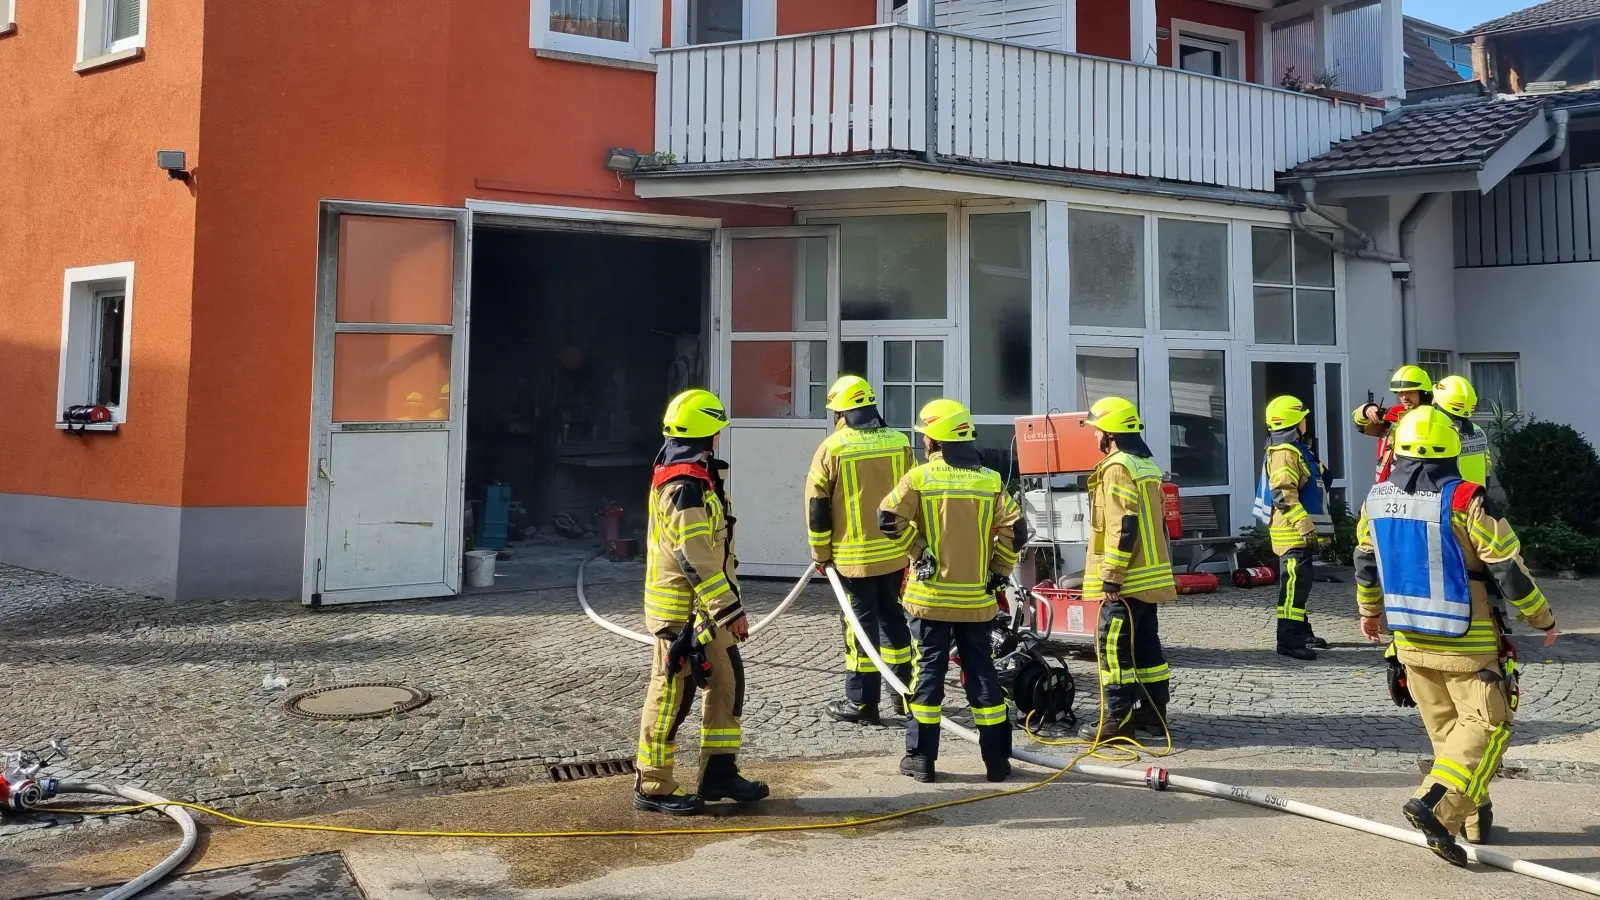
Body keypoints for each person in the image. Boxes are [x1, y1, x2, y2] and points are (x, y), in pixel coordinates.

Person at [1353, 406, 1558, 865]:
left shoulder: (1376, 499)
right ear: (1452, 449)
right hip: (1466, 640)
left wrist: (1370, 614)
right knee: (1488, 726)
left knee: (1449, 732)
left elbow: (1365, 562)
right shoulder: (1467, 499)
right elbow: (1508, 570)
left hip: (1407, 637)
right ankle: (1434, 807)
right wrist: (1542, 618)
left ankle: (1472, 818)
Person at [633, 389, 769, 816]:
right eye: (718, 433)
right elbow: (694, 556)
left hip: (703, 611)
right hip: (680, 615)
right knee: (672, 693)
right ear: (708, 435)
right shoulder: (684, 486)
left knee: (727, 681)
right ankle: (653, 785)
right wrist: (732, 610)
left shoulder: (697, 476)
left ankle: (719, 773)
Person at [879, 399, 1025, 784]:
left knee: (929, 673)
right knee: (981, 674)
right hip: (976, 601)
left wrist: (919, 550)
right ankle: (997, 762)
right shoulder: (990, 481)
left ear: (934, 440)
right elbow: (1017, 531)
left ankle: (920, 760)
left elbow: (887, 518)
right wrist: (998, 571)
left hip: (930, 599)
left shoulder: (920, 478)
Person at [807, 375, 916, 726]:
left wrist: (820, 552)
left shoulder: (832, 448)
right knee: (895, 621)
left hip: (853, 559)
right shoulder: (900, 442)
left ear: (841, 412)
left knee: (859, 629)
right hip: (895, 552)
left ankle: (861, 701)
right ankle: (906, 694)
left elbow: (817, 504)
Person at [1076, 397, 1178, 741]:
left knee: (1114, 649)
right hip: (1149, 576)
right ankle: (1153, 714)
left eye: (1098, 431)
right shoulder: (1145, 464)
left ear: (1111, 433)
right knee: (1147, 646)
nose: (1095, 438)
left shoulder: (1117, 467)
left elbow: (1124, 524)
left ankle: (1115, 722)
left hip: (1128, 579)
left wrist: (1112, 577)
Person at [1252, 396, 1334, 661]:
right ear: (1295, 422)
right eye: (1303, 417)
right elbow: (1283, 494)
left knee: (1301, 586)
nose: (1306, 421)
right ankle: (1288, 641)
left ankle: (1302, 633)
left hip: (1298, 534)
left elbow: (1320, 480)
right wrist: (1305, 526)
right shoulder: (1284, 452)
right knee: (1293, 589)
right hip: (1293, 533)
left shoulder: (1296, 449)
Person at [1353, 364, 1433, 482]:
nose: (1404, 397)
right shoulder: (1394, 415)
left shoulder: (1435, 420)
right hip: (1388, 485)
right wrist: (1367, 410)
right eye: (1400, 393)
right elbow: (1361, 425)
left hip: (1420, 485)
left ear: (1422, 393)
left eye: (1409, 392)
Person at [1433, 375, 1492, 486]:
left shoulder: (1440, 434)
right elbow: (1487, 471)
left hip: (1453, 499)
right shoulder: (1478, 431)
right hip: (1476, 498)